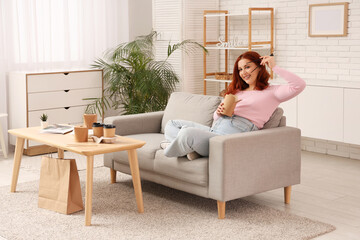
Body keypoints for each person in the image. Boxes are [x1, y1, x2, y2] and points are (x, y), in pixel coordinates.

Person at [161, 51, 306, 160]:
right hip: (215, 131)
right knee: (172, 124)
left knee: (187, 133)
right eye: (240, 69)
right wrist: (219, 112)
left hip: (229, 140)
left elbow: (299, 85)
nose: (243, 72)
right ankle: (190, 149)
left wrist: (274, 67)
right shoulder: (237, 91)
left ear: (260, 67)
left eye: (247, 67)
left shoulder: (272, 92)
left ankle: (170, 150)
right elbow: (216, 119)